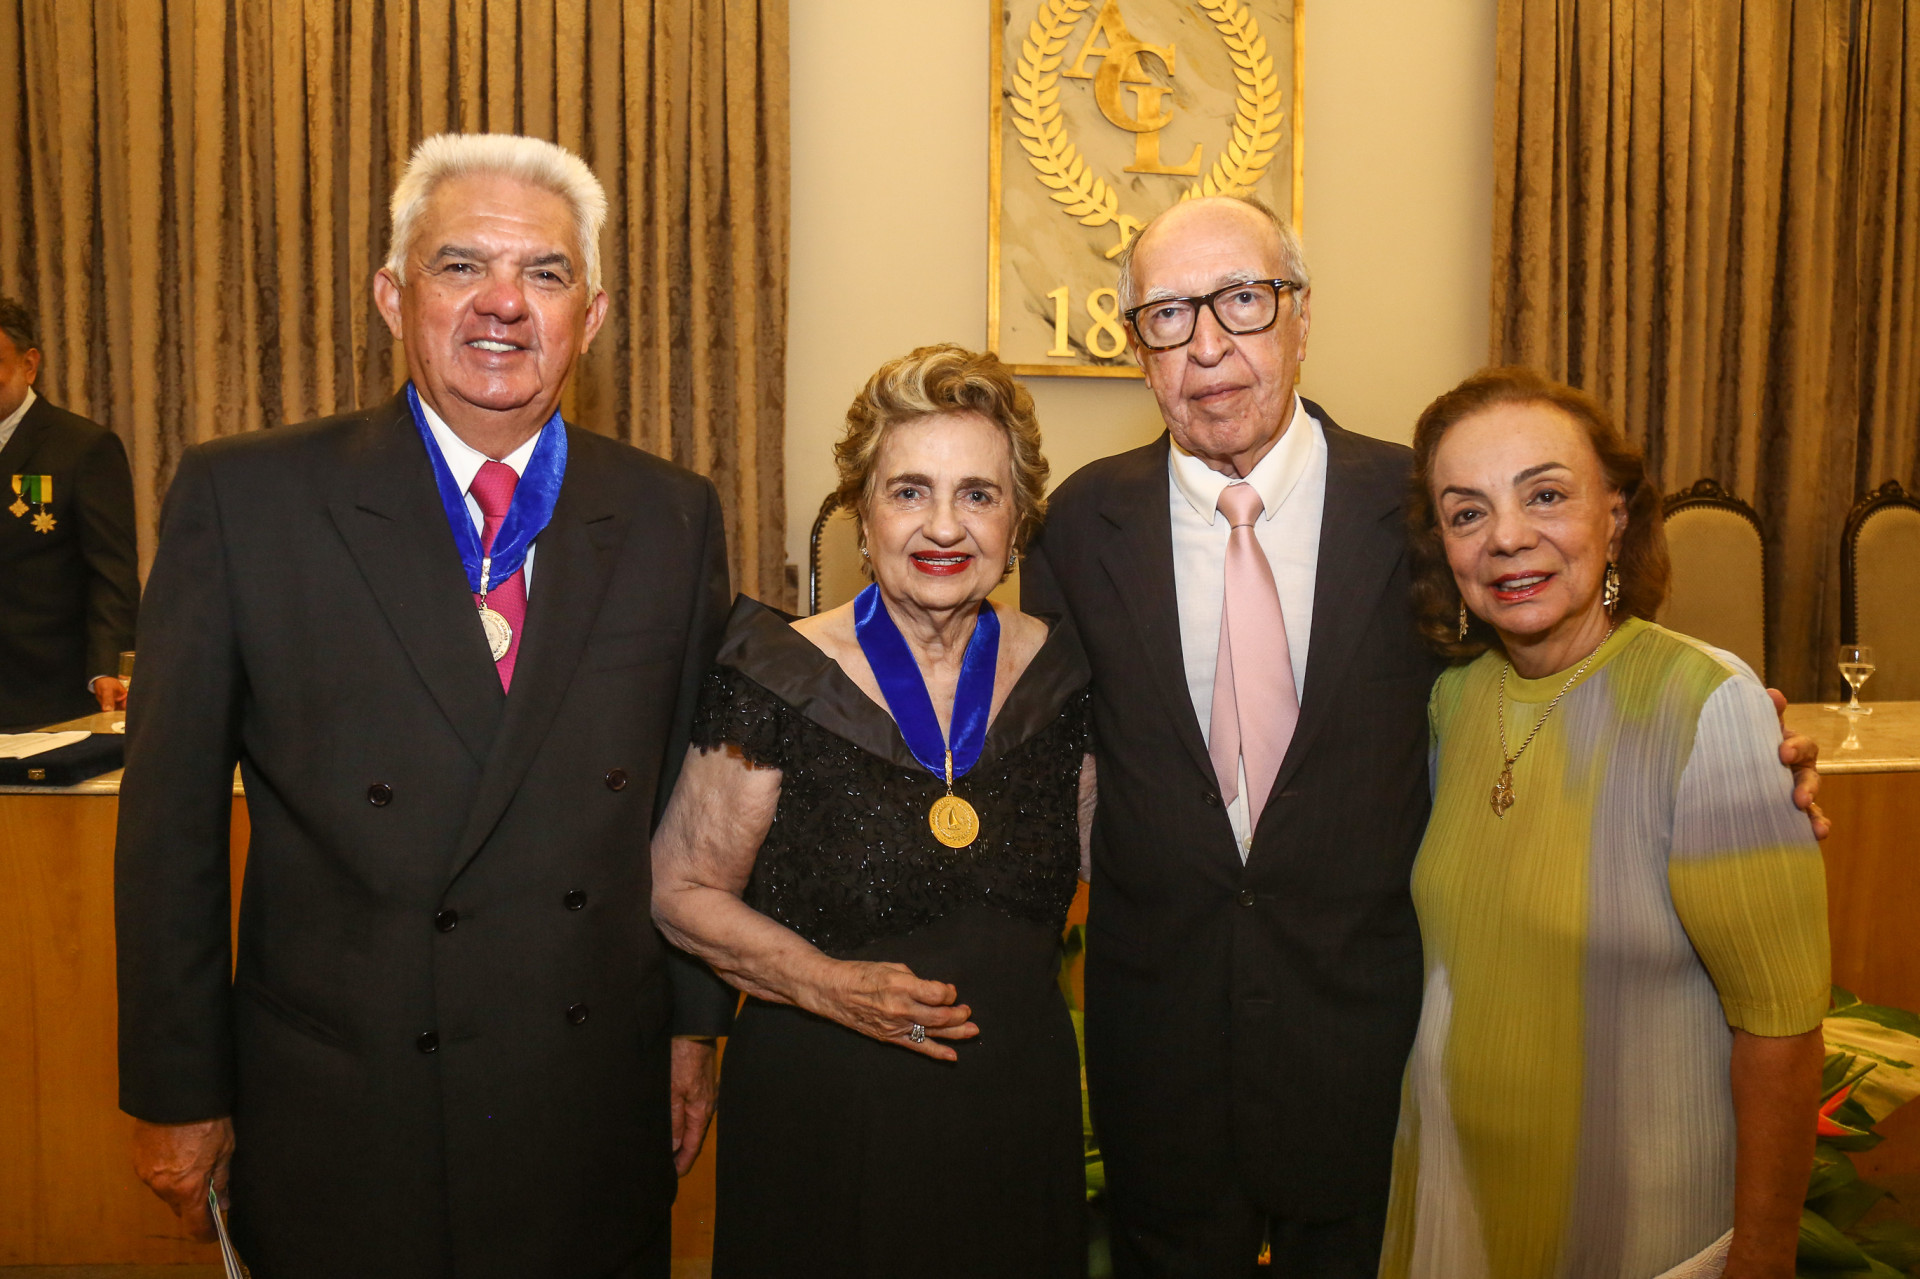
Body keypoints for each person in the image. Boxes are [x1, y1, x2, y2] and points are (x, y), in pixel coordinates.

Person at [1019, 195, 1826, 1279]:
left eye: (1242, 302)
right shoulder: (1078, 525)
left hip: (1376, 1060)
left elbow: (1558, 661)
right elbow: (1037, 762)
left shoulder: (1417, 506)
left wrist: (1729, 745)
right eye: (1168, 315)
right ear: (1135, 349)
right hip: (1160, 1057)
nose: (1207, 344)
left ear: (1300, 317)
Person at [115, 134, 734, 1279]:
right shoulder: (246, 497)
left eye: (545, 274)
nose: (504, 302)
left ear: (590, 316)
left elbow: (685, 814)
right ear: (392, 295)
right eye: (462, 265)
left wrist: (691, 1025)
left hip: (584, 1093)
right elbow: (169, 830)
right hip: (348, 1099)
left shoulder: (670, 516)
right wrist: (177, 1086)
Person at [1378, 367, 1829, 1279]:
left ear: (1615, 514)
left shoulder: (1710, 703)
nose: (1508, 536)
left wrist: (1764, 1257)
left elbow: (1781, 1028)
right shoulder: (1451, 704)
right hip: (1455, 1211)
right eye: (1467, 513)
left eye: (1545, 494)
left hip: (1640, 1230)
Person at [651, 344, 1091, 1277]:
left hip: (1016, 1110)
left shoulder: (1068, 677)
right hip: (825, 1112)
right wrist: (824, 983)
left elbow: (1127, 862)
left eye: (979, 494)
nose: (944, 525)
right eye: (908, 491)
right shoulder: (772, 674)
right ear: (861, 515)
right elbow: (679, 887)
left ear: (1018, 524)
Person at [0, 296, 137, 730]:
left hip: (45, 690)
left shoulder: (81, 447)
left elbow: (111, 571)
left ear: (29, 364)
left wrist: (106, 667)